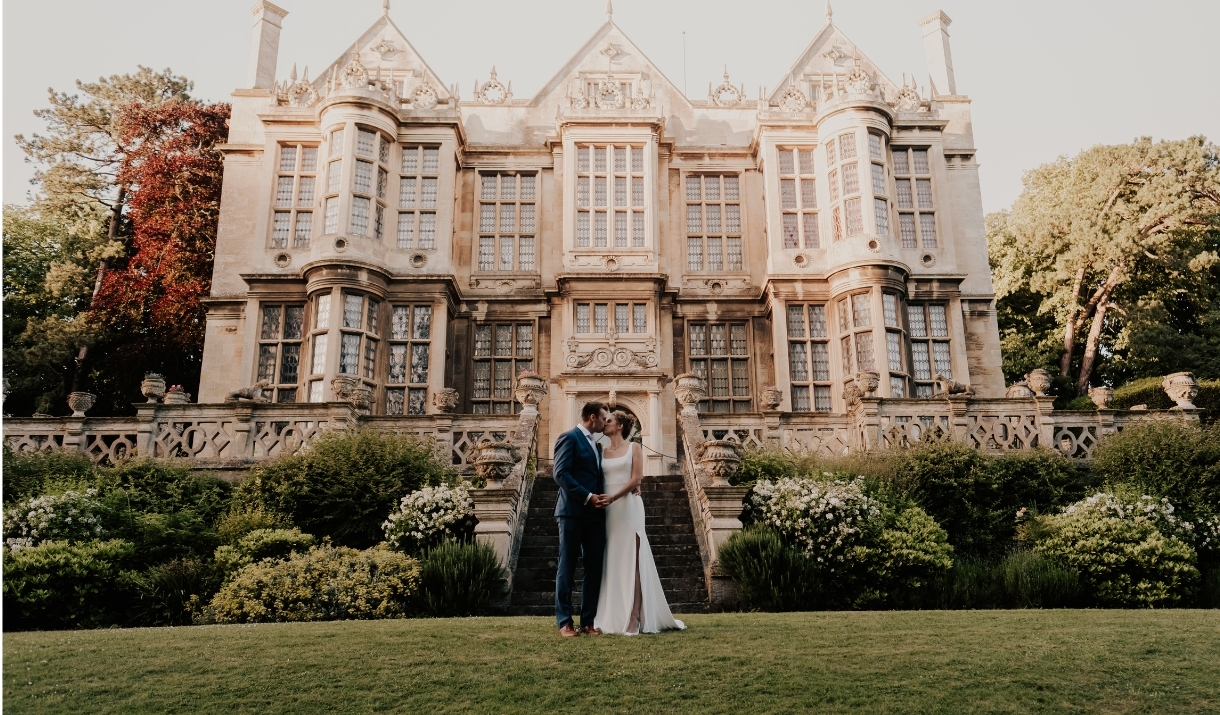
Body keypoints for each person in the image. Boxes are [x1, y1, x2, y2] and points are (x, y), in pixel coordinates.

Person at [594, 410, 686, 635]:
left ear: (620, 426)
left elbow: (637, 478)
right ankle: (613, 615)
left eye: (609, 421)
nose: (605, 424)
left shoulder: (634, 447)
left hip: (628, 507)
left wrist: (615, 496)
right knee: (613, 561)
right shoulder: (602, 452)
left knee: (634, 561)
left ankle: (634, 616)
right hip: (607, 511)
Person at [552, 401, 610, 637]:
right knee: (566, 567)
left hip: (595, 516)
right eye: (604, 418)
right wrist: (588, 497)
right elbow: (561, 474)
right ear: (593, 417)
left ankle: (588, 621)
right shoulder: (569, 437)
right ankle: (564, 622)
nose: (606, 422)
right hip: (572, 512)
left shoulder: (596, 446)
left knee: (594, 569)